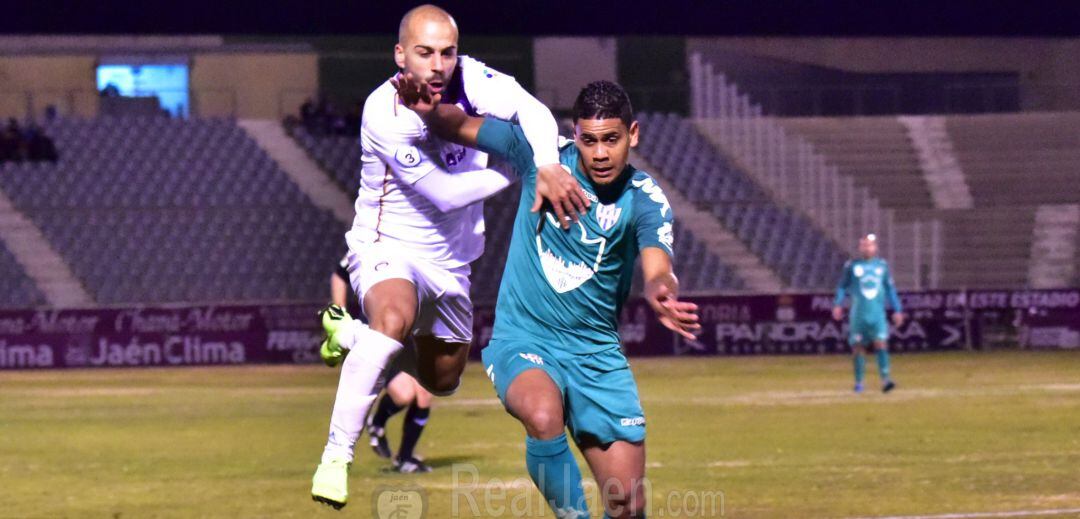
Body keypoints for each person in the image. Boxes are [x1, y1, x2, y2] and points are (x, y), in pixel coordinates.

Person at [309, 4, 589, 509]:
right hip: (388, 245)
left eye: (446, 52)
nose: (438, 65)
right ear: (400, 55)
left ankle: (350, 334)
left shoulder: (471, 78)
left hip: (452, 263)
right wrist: (521, 170)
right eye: (424, 53)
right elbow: (444, 193)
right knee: (393, 319)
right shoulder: (384, 111)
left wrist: (545, 160)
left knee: (444, 381)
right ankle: (335, 456)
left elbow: (533, 110)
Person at [396, 77, 701, 519]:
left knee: (627, 503)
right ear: (573, 133)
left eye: (611, 140)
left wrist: (661, 292)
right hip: (525, 337)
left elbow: (658, 267)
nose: (599, 153)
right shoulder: (542, 156)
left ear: (632, 135)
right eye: (589, 140)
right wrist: (428, 111)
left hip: (596, 354)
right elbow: (462, 125)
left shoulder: (644, 199)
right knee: (542, 415)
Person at [329, 257, 435, 474]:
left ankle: (404, 459)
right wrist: (340, 317)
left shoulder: (424, 245)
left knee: (424, 394)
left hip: (408, 334)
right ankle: (377, 422)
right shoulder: (374, 242)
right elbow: (340, 276)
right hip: (379, 332)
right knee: (404, 395)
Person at [832, 233, 905, 393]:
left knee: (881, 343)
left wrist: (897, 310)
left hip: (877, 314)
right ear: (860, 247)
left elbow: (890, 289)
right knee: (858, 347)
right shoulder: (852, 266)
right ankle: (859, 383)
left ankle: (886, 380)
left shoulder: (882, 266)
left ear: (875, 247)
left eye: (870, 245)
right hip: (858, 314)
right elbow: (842, 286)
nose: (867, 248)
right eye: (864, 245)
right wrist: (838, 303)